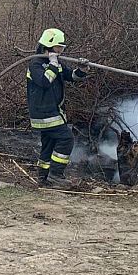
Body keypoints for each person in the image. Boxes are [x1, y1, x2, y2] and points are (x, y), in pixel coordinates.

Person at [27, 28, 89, 187]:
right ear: (48, 46)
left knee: (49, 144)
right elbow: (44, 82)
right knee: (66, 139)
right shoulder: (35, 63)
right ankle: (56, 174)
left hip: (53, 112)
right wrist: (53, 64)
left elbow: (71, 76)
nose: (61, 50)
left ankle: (43, 178)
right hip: (44, 113)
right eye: (58, 47)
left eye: (62, 47)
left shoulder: (57, 62)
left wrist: (81, 70)